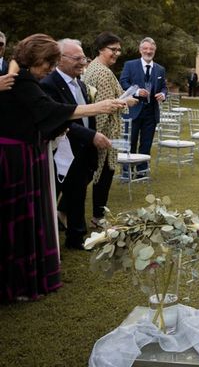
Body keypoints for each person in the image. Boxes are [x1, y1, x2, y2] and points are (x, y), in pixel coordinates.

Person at [0, 34, 124, 302]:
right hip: (13, 158)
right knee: (16, 217)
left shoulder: (26, 79)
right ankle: (15, 283)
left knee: (31, 215)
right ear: (36, 58)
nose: (49, 68)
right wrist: (96, 107)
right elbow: (50, 110)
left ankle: (27, 278)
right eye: (49, 61)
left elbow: (49, 116)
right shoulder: (20, 80)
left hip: (27, 153)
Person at [40, 39, 112, 249]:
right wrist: (90, 136)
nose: (82, 62)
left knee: (78, 193)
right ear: (60, 59)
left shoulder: (80, 83)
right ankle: (47, 240)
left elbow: (85, 114)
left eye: (83, 58)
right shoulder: (49, 84)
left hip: (82, 151)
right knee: (54, 196)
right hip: (62, 150)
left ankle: (76, 237)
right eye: (77, 58)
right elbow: (59, 119)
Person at [84, 32, 136, 225]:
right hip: (103, 133)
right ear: (100, 49)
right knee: (102, 175)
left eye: (119, 50)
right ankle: (98, 217)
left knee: (88, 175)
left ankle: (63, 211)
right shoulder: (104, 73)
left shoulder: (94, 67)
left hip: (94, 131)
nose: (117, 53)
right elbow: (104, 109)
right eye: (113, 49)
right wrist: (96, 136)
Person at [119, 37, 167, 175]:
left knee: (146, 144)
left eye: (151, 49)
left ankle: (142, 171)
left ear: (155, 51)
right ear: (140, 50)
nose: (148, 51)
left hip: (151, 112)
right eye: (145, 48)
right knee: (130, 142)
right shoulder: (130, 65)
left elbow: (164, 87)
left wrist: (163, 95)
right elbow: (123, 82)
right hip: (133, 110)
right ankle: (127, 172)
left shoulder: (160, 69)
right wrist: (137, 91)